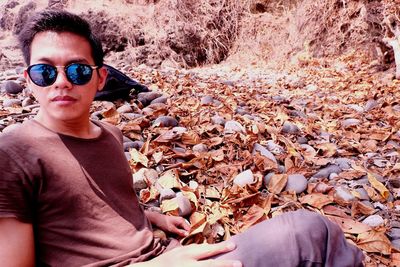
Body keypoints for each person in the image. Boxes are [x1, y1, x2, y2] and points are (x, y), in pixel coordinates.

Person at [0, 10, 364, 267]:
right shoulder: (14, 152)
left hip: (162, 250)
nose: (61, 81)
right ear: (29, 79)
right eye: (45, 71)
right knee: (308, 233)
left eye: (77, 70)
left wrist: (147, 216)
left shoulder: (109, 134)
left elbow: (93, 202)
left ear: (100, 79)